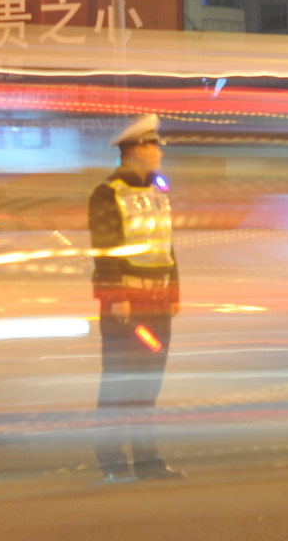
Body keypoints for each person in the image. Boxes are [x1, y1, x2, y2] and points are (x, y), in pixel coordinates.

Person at [88, 113, 183, 483]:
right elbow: (105, 249)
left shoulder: (158, 191)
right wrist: (116, 298)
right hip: (127, 305)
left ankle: (147, 460)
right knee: (120, 382)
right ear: (136, 148)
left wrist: (174, 291)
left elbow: (166, 245)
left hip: (157, 302)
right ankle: (111, 461)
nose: (160, 151)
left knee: (149, 384)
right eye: (154, 144)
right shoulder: (107, 193)